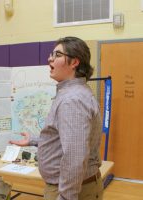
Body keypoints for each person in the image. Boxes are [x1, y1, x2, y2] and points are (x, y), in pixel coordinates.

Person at [10, 37, 103, 200]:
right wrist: (33, 140)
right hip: (76, 187)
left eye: (57, 54)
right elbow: (67, 140)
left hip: (69, 191)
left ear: (74, 62)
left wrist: (66, 197)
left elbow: (75, 157)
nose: (50, 58)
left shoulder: (72, 100)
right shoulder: (73, 93)